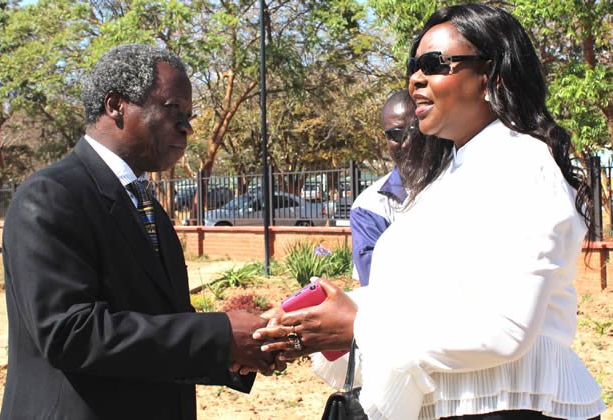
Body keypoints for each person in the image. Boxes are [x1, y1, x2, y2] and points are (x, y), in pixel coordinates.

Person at [254, 4, 605, 419]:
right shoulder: (444, 179)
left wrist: (358, 325)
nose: (415, 79)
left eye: (435, 64)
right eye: (413, 66)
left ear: (491, 75)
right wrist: (311, 318)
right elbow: (421, 298)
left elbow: (506, 329)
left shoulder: (523, 165)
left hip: (511, 407)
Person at [1, 44, 273, 420]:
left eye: (189, 115)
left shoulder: (147, 207)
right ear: (116, 105)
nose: (187, 127)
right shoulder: (51, 196)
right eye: (173, 109)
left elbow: (163, 325)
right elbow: (70, 333)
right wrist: (220, 335)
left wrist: (244, 347)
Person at [351, 90, 452, 286]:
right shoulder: (369, 207)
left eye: (415, 131)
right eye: (395, 135)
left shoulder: (459, 178)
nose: (406, 143)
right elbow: (378, 282)